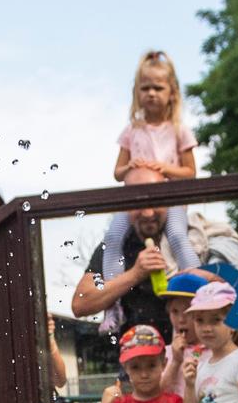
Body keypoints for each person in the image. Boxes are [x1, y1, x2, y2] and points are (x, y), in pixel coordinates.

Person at [67, 173, 187, 342]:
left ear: (168, 201)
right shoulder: (114, 247)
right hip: (136, 362)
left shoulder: (191, 237)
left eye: (155, 201)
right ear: (126, 206)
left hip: (191, 359)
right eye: (138, 203)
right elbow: (80, 304)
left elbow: (232, 294)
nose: (147, 213)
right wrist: (135, 274)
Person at [113, 50, 198, 183]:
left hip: (171, 200)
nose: (151, 93)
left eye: (158, 88)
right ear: (136, 92)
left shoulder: (179, 130)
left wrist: (165, 169)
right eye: (145, 88)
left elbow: (191, 172)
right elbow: (117, 173)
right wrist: (129, 168)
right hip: (138, 199)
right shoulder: (131, 130)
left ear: (172, 93)